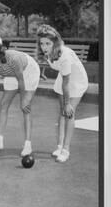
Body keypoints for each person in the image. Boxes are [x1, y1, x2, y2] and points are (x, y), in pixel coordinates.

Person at [36, 25, 89, 163]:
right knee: (62, 112)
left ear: (55, 42)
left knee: (69, 112)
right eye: (42, 43)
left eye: (48, 43)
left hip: (76, 81)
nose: (44, 47)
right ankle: (59, 146)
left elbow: (67, 83)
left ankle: (66, 149)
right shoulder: (47, 53)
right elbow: (63, 78)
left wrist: (67, 104)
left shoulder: (64, 55)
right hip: (64, 77)